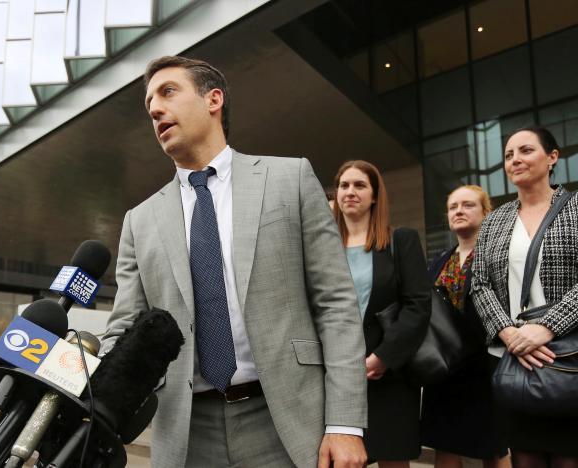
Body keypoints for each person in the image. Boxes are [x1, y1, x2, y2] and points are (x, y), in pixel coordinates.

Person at [100, 56, 367, 467]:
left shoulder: (290, 179)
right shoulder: (140, 220)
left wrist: (345, 424)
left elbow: (335, 304)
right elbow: (123, 330)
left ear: (214, 99)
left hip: (289, 421)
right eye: (149, 102)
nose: (154, 109)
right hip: (187, 432)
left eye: (168, 92)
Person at [470, 126, 578, 467]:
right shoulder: (493, 221)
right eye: (507, 155)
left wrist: (545, 328)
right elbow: (479, 284)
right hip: (513, 359)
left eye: (526, 150)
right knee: (524, 458)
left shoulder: (576, 207)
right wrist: (510, 333)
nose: (515, 159)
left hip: (569, 356)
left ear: (552, 157)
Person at [332, 160, 431, 467]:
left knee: (392, 459)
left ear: (375, 196)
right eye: (344, 185)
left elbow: (418, 305)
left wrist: (384, 357)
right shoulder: (323, 248)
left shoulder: (400, 241)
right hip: (338, 377)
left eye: (359, 185)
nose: (350, 191)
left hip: (388, 375)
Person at [419, 185, 510, 468]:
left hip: (485, 366)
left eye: (468, 205)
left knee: (493, 446)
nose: (458, 210)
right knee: (445, 444)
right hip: (445, 366)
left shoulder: (498, 256)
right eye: (453, 207)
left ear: (485, 212)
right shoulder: (438, 260)